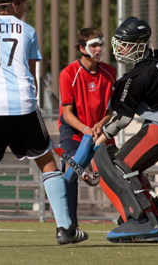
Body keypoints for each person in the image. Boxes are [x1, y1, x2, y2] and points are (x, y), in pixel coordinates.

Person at [0, 0, 88, 247]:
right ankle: (65, 229)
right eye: (24, 3)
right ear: (14, 4)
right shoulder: (27, 31)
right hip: (24, 106)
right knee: (46, 163)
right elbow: (32, 76)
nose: (25, 8)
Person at [93, 17, 158, 243]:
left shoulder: (134, 77)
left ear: (138, 45)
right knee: (130, 168)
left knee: (118, 167)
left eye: (125, 44)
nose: (120, 49)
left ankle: (141, 220)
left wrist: (101, 138)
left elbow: (122, 120)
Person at [58, 28, 116, 226]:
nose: (99, 49)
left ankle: (132, 217)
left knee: (118, 170)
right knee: (71, 169)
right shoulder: (68, 74)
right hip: (74, 133)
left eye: (101, 44)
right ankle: (69, 226)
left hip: (100, 133)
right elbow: (67, 114)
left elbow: (111, 111)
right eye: (94, 45)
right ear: (82, 48)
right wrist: (85, 130)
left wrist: (100, 124)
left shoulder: (110, 72)